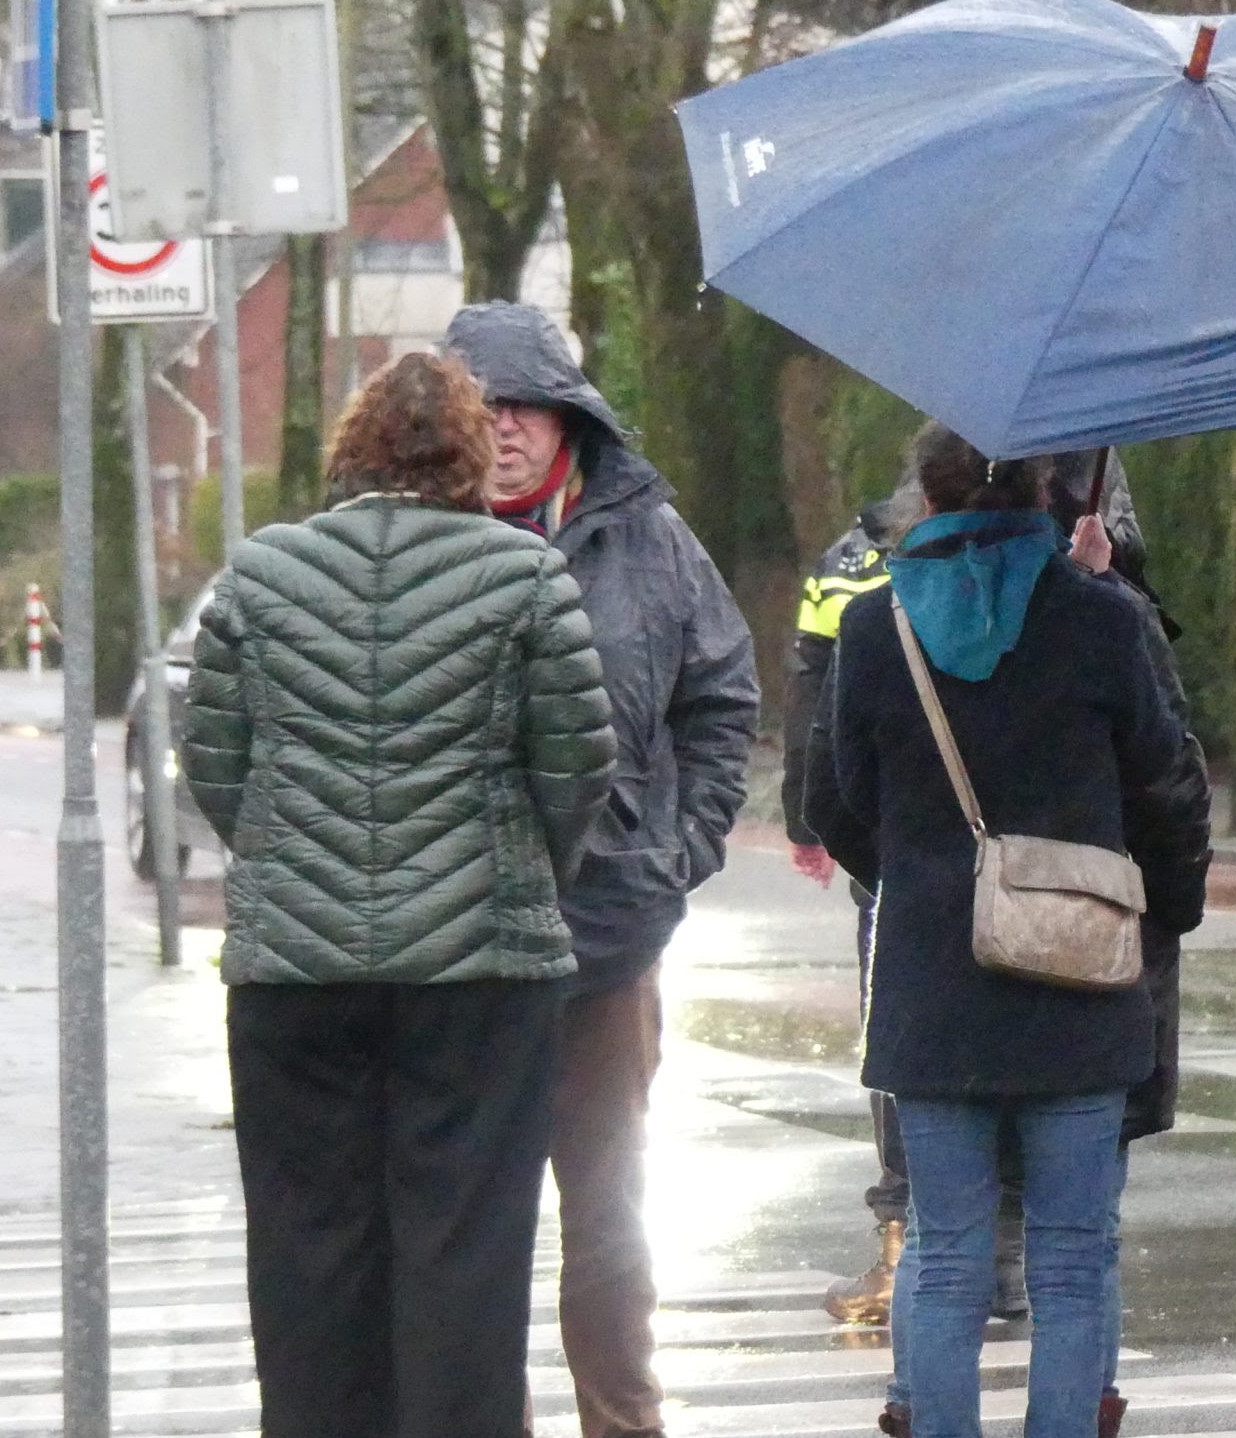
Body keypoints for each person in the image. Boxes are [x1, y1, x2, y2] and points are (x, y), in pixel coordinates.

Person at [180, 352, 617, 1438]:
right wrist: (521, 874)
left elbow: (214, 760)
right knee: (465, 1253)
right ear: (471, 455)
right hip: (479, 974)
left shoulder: (261, 573)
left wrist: (285, 866)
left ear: (350, 448)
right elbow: (577, 764)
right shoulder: (523, 577)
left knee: (306, 1248)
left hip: (295, 978)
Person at [805, 426, 1206, 1438]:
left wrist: (923, 881)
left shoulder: (873, 627)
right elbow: (1167, 787)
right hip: (1082, 978)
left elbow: (837, 801)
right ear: (1044, 489)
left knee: (944, 1255)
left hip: (933, 990)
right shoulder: (1100, 622)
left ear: (924, 499)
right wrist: (1164, 906)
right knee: (1073, 1257)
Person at [444, 301, 762, 1438]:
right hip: (457, 950)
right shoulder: (419, 539)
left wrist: (681, 848)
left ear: (570, 419)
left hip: (610, 940)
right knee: (471, 1225)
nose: (509, 427)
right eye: (482, 409)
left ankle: (623, 1424)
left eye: (528, 404)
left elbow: (722, 694)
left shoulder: (649, 539)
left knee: (611, 1221)